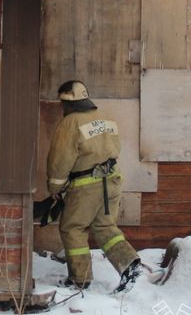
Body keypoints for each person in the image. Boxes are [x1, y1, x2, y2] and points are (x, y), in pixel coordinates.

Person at [46, 80, 141, 292]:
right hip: (113, 181)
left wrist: (54, 188)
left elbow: (60, 160)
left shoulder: (70, 123)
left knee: (72, 228)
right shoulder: (106, 117)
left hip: (87, 186)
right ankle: (130, 264)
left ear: (67, 104)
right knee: (105, 227)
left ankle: (80, 279)